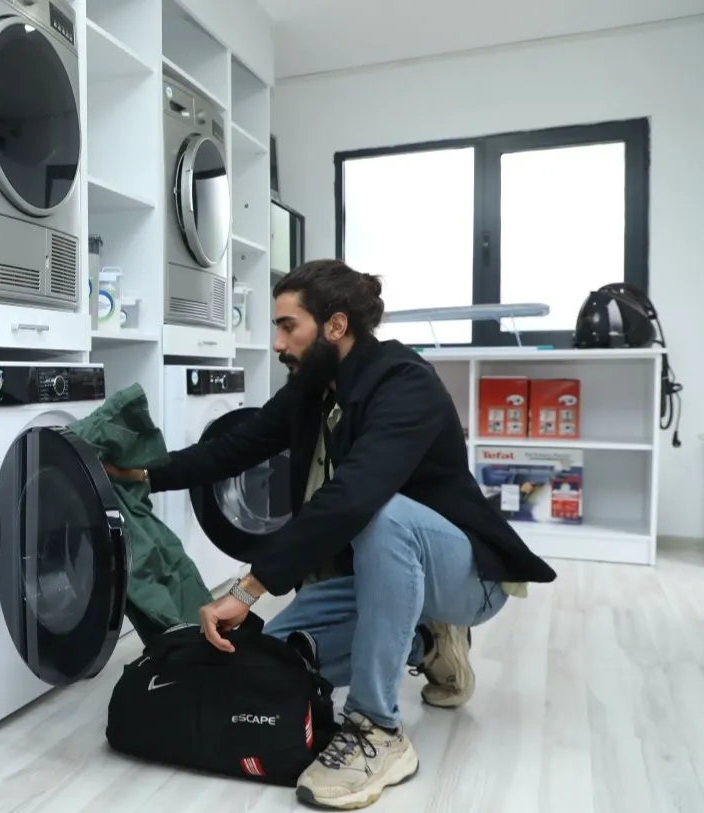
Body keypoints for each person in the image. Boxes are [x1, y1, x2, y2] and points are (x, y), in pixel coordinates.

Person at [104, 260, 557, 810]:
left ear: (336, 325)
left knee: (384, 516)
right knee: (279, 658)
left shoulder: (404, 383)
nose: (277, 343)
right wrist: (144, 475)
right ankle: (431, 642)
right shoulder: (313, 388)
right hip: (376, 572)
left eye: (287, 326)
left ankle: (378, 730)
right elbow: (236, 446)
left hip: (467, 575)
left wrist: (248, 588)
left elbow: (354, 496)